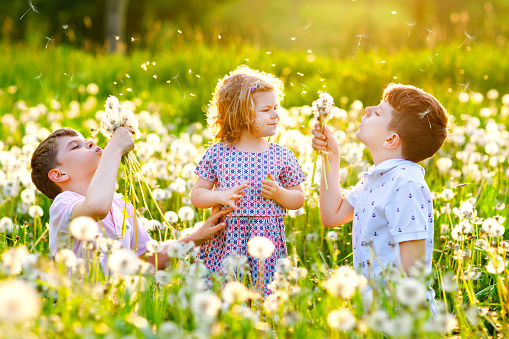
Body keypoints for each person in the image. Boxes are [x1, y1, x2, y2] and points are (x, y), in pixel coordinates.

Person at [311, 83, 449, 312]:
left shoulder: (405, 183)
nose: (367, 109)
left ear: (390, 140)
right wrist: (330, 156)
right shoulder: (377, 178)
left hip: (403, 318)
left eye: (378, 112)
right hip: (376, 313)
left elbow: (412, 268)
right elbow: (332, 215)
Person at [30, 127, 231, 274]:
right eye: (76, 147)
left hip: (120, 308)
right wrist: (114, 149)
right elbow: (96, 207)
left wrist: (197, 236)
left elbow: (149, 259)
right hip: (80, 312)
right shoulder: (63, 204)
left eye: (86, 140)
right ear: (59, 175)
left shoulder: (120, 205)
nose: (91, 143)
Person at [191, 66, 306, 296]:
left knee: (265, 295)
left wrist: (279, 194)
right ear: (242, 114)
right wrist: (219, 195)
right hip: (227, 238)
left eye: (276, 107)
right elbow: (197, 195)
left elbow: (298, 199)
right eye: (266, 109)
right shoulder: (218, 153)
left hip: (266, 240)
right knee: (226, 295)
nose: (275, 114)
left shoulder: (282, 155)